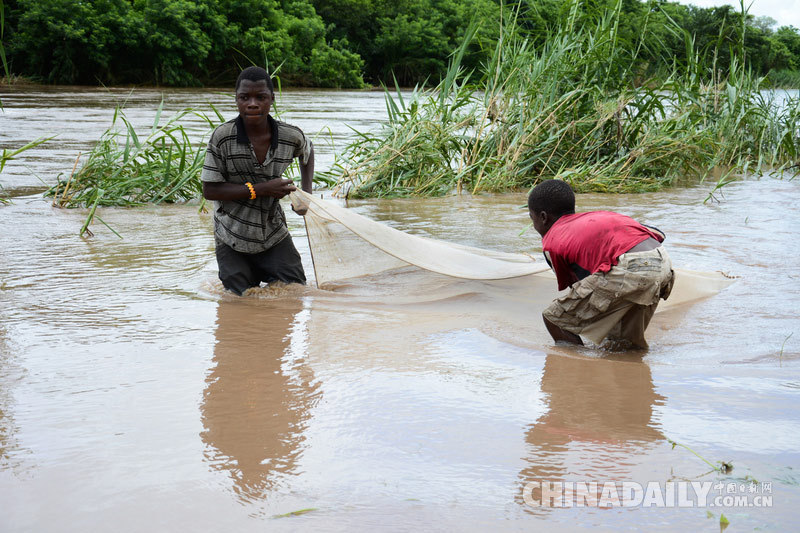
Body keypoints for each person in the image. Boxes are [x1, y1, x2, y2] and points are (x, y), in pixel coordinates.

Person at [201, 66, 314, 295]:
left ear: (271, 99)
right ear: (237, 100)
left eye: (260, 97)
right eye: (245, 98)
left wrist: (305, 195)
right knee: (240, 300)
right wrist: (261, 189)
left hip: (272, 233)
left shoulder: (290, 136)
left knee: (295, 292)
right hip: (231, 235)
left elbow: (308, 153)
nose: (252, 104)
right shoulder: (223, 137)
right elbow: (210, 190)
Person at [528, 179, 674, 349]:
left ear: (543, 217)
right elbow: (657, 234)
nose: (534, 225)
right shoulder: (596, 217)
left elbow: (578, 286)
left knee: (556, 319)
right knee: (620, 344)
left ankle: (577, 370)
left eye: (533, 219)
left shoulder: (552, 240)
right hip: (663, 261)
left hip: (633, 266)